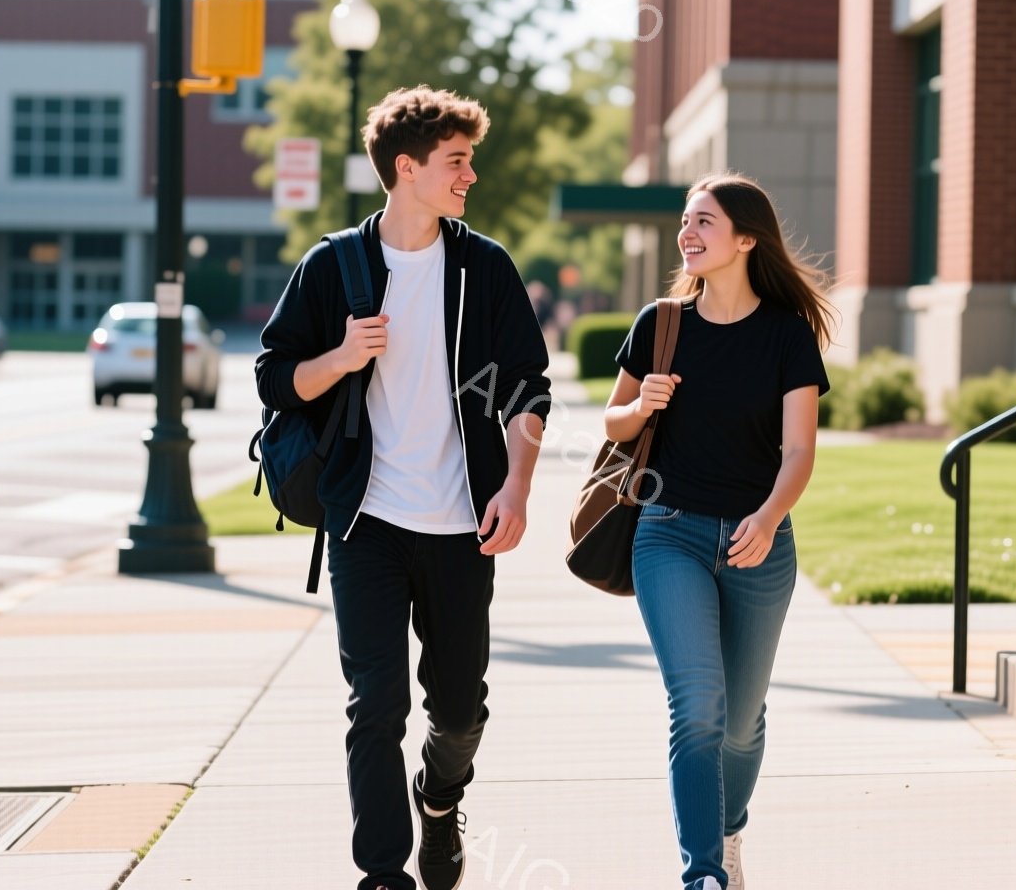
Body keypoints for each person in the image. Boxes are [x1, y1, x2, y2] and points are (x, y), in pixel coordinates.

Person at [255, 85, 552, 890]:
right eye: (457, 162)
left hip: (462, 524)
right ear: (407, 168)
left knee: (458, 710)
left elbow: (527, 385)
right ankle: (382, 874)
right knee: (374, 707)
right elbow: (275, 377)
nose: (470, 176)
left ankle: (441, 796)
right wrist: (340, 358)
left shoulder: (483, 269)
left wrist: (517, 487)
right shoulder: (335, 266)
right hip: (367, 524)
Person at [603, 173, 833, 890]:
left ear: (745, 238)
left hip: (759, 542)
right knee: (697, 707)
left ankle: (728, 831)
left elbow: (799, 451)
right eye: (685, 220)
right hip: (668, 533)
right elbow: (611, 427)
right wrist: (640, 404)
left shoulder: (785, 337)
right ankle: (703, 873)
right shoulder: (662, 324)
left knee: (740, 721)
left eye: (704, 221)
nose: (688, 233)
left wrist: (768, 518)